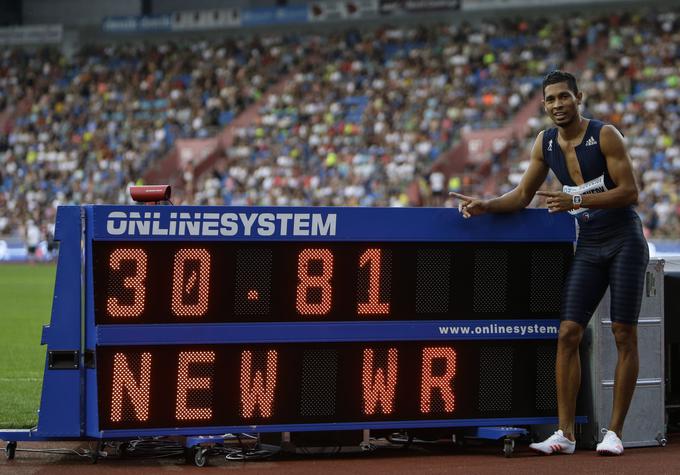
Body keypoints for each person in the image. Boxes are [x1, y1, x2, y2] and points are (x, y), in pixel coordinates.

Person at [450, 70, 649, 456]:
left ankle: (614, 432)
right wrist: (486, 204)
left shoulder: (605, 135)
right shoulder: (545, 144)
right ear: (544, 105)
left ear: (579, 97)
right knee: (567, 333)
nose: (558, 105)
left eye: (564, 97)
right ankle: (565, 434)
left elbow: (630, 192)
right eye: (551, 100)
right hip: (590, 243)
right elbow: (523, 194)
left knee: (624, 334)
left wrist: (577, 201)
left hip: (624, 240)